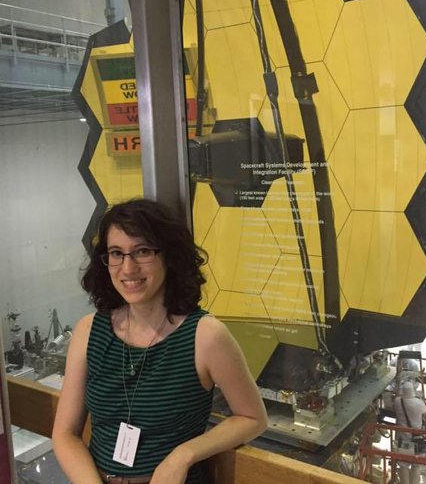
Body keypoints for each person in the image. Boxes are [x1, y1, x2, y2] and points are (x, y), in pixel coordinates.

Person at [52, 199, 268, 484]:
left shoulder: (205, 336)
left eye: (142, 251)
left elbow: (253, 418)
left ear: (169, 256)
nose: (127, 268)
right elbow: (65, 434)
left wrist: (184, 454)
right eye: (116, 253)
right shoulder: (89, 330)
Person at [393, 381, 426, 484]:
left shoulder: (397, 401)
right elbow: (425, 410)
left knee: (403, 464)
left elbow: (397, 398)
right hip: (417, 439)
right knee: (416, 465)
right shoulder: (418, 403)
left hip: (402, 440)